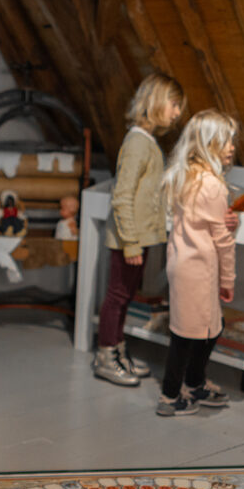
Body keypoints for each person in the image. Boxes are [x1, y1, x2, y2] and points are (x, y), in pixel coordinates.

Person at [93, 73, 186, 386]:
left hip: (137, 238)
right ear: (157, 102)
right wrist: (131, 243)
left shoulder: (147, 141)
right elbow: (122, 196)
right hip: (127, 239)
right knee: (117, 296)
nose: (177, 113)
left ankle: (117, 352)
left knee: (125, 296)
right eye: (174, 105)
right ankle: (106, 356)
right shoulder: (136, 142)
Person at [155, 109, 239, 417]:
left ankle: (193, 382)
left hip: (181, 265)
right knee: (189, 334)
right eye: (225, 140)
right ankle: (170, 395)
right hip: (201, 270)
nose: (232, 146)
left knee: (200, 329)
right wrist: (228, 279)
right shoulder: (213, 185)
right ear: (208, 144)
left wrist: (226, 219)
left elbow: (205, 223)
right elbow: (223, 241)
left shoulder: (184, 176)